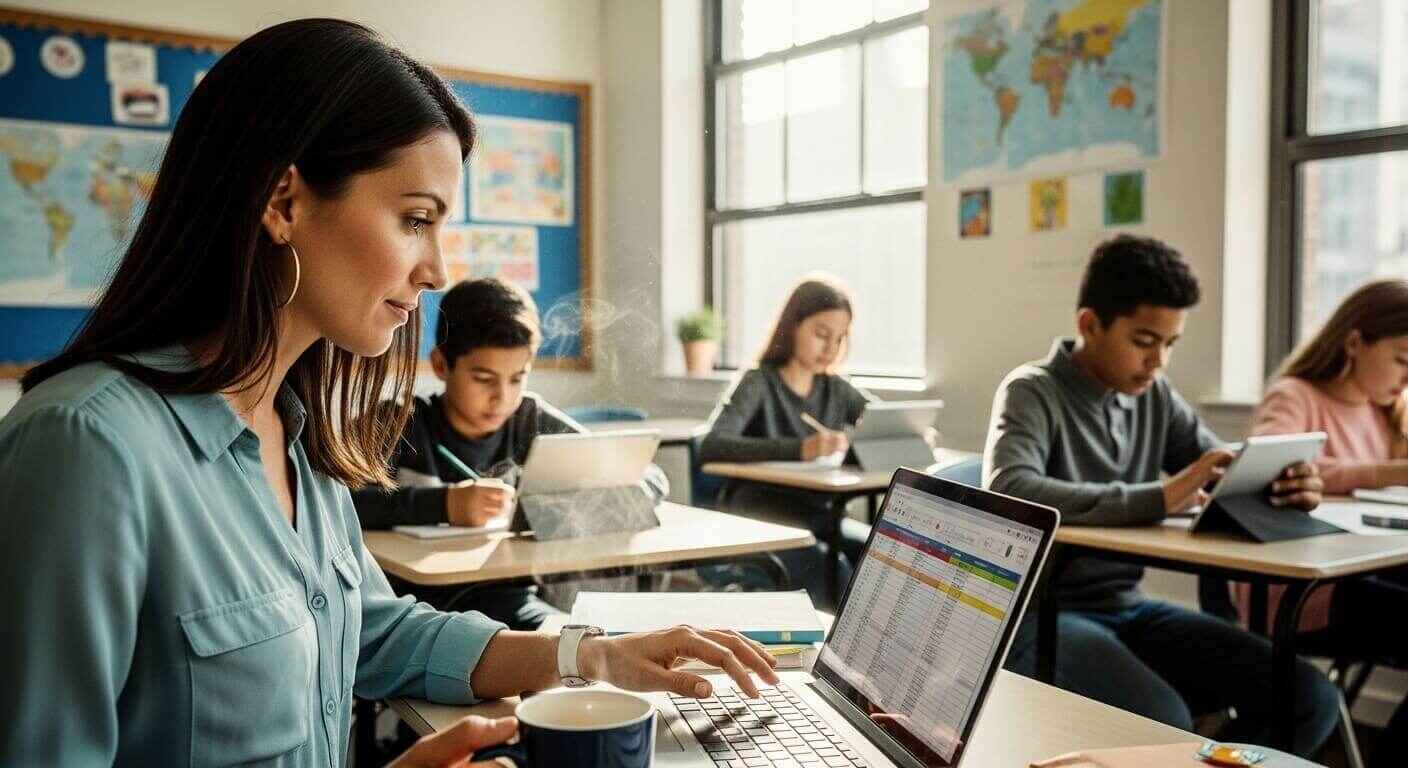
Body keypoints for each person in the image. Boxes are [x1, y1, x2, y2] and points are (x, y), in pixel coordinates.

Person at [0, 19, 775, 766]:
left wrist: (589, 655)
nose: (437, 270)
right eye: (415, 220)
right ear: (283, 203)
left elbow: (373, 631)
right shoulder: (85, 449)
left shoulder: (296, 438)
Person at [983, 234, 1338, 757]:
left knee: (1309, 697)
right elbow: (1010, 489)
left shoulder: (1155, 396)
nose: (1158, 361)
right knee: (1165, 719)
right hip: (1040, 615)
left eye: (1170, 344)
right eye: (1145, 340)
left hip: (1128, 607)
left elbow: (1219, 468)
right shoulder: (1031, 390)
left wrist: (1281, 485)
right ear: (1090, 324)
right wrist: (1160, 496)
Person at [351, 277, 667, 630]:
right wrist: (445, 505)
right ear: (441, 365)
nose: (502, 397)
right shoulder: (398, 421)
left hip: (512, 603)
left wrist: (572, 502)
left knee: (581, 639)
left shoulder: (529, 418)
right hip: (417, 613)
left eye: (517, 378)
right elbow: (338, 500)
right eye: (484, 379)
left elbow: (647, 475)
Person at [1248, 278, 1408, 768]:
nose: (1407, 377)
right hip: (1304, 592)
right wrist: (1388, 471)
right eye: (1402, 359)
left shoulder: (1384, 413)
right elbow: (1272, 468)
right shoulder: (1295, 396)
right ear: (1355, 343)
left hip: (1365, 574)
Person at [699, 274, 876, 606]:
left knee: (881, 560)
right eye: (821, 334)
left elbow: (882, 419)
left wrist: (909, 434)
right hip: (761, 516)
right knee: (835, 573)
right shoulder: (758, 383)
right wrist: (800, 450)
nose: (831, 348)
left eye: (840, 338)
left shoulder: (836, 388)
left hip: (820, 515)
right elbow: (712, 445)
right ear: (793, 326)